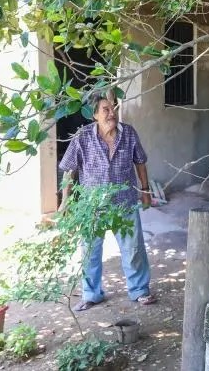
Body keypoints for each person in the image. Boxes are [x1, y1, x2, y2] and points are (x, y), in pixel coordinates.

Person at [58, 91, 157, 311]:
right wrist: (65, 200)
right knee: (90, 252)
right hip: (92, 206)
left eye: (113, 107)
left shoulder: (128, 133)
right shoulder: (82, 137)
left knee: (133, 249)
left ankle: (140, 290)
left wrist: (145, 191)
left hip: (125, 202)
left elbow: (140, 162)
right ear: (94, 115)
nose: (112, 113)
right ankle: (91, 294)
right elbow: (69, 169)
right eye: (106, 109)